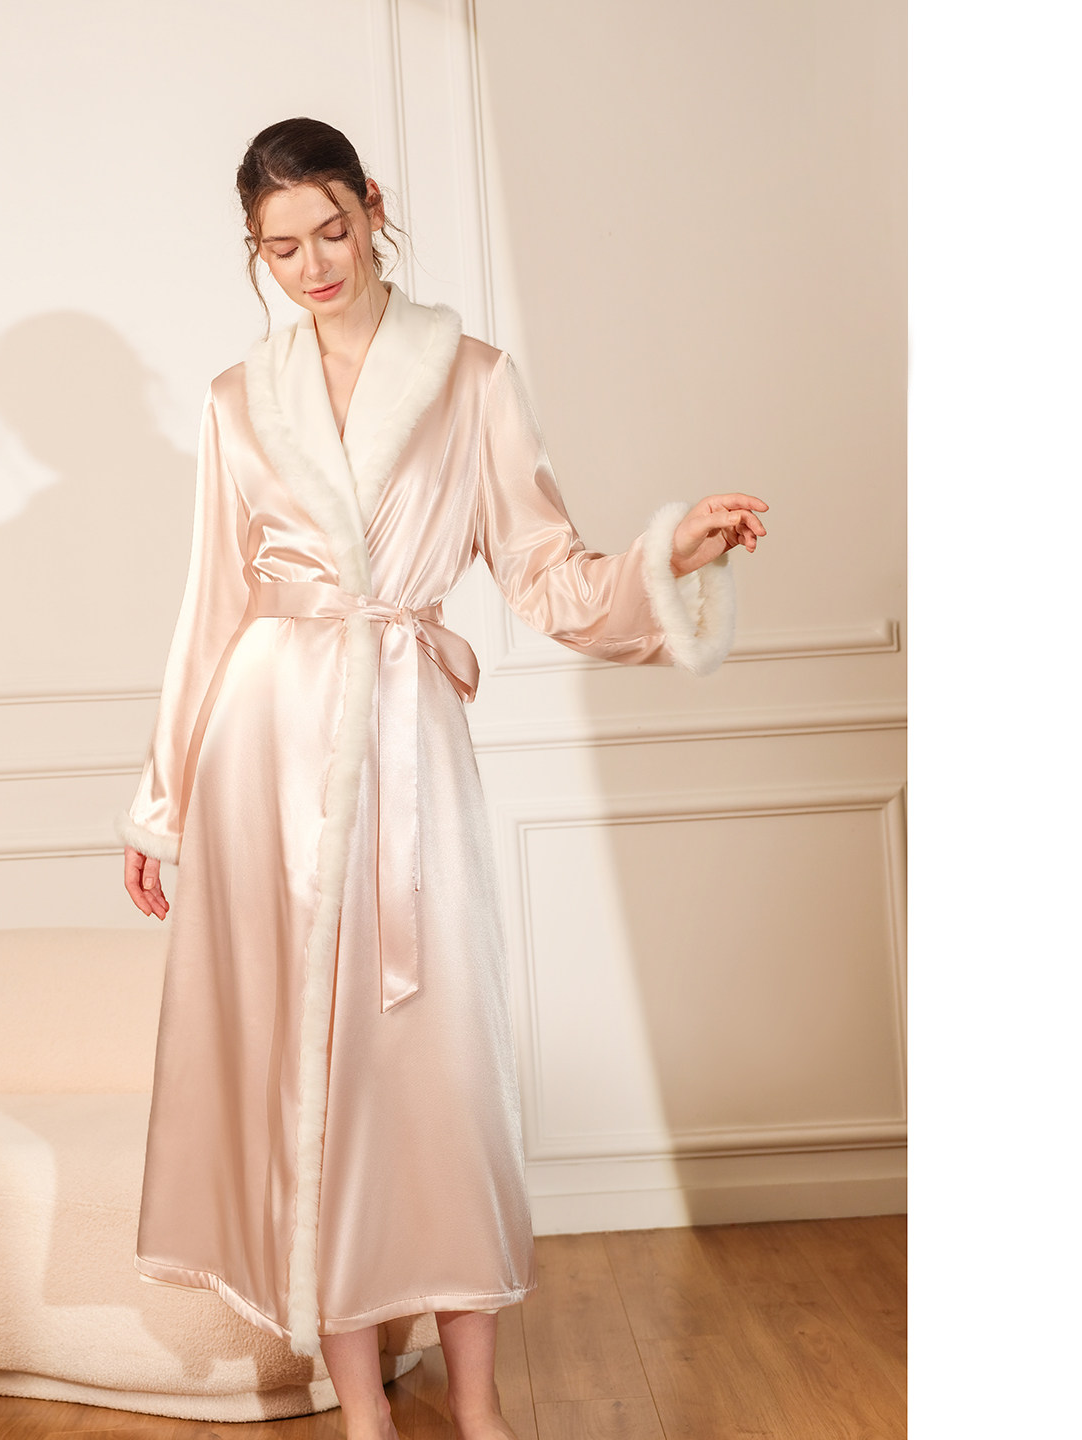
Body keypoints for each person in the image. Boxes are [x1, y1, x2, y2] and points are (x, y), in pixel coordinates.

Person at [118, 116, 768, 1440]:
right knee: (312, 1080)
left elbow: (545, 570)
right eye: (280, 249)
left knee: (438, 1075)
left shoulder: (471, 379)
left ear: (373, 205)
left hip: (409, 737)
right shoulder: (237, 401)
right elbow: (210, 612)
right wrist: (161, 804)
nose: (313, 265)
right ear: (255, 252)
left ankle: (476, 1407)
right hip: (263, 760)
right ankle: (361, 1407)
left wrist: (669, 558)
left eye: (332, 230)